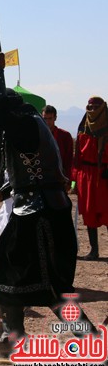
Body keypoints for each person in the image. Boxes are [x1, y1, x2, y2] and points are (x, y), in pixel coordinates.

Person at [0, 52, 88, 358]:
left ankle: (88, 336)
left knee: (50, 286)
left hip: (37, 215)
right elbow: (33, 169)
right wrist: (4, 189)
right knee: (6, 274)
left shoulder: (22, 124)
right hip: (38, 208)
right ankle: (12, 336)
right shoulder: (32, 125)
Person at [72, 96, 108, 261]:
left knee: (106, 211)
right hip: (85, 176)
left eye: (96, 108)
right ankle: (94, 250)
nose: (92, 111)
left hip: (104, 175)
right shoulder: (83, 126)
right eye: (90, 107)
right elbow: (78, 154)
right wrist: (75, 177)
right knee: (89, 212)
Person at [42, 105, 73, 182]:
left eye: (50, 118)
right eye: (45, 118)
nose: (47, 122)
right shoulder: (38, 135)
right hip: (42, 177)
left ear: (55, 118)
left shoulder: (65, 136)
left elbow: (69, 159)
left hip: (59, 176)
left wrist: (68, 178)